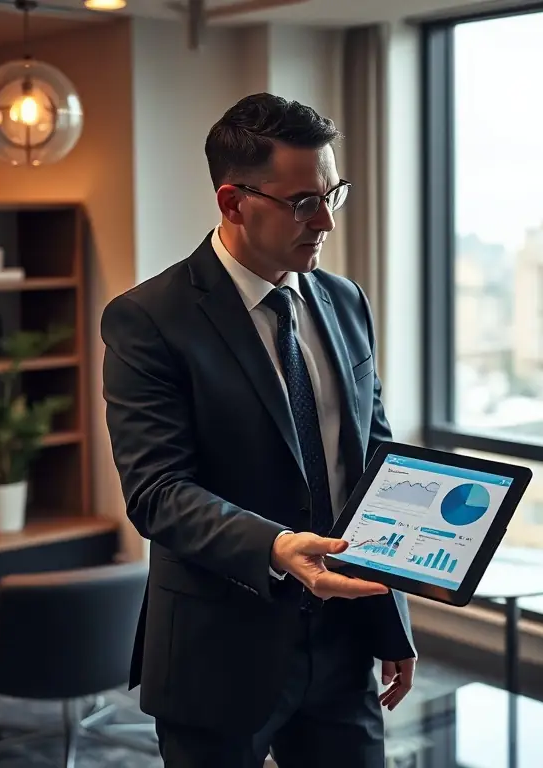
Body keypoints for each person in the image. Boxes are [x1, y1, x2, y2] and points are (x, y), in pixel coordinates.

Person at [102, 93, 415, 768]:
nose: (327, 219)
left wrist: (392, 621)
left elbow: (375, 465)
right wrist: (277, 547)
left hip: (342, 647)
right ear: (233, 201)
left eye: (333, 193)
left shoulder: (344, 300)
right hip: (217, 653)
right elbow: (156, 491)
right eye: (305, 201)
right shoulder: (148, 319)